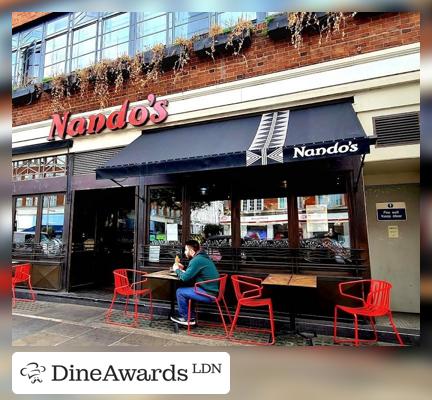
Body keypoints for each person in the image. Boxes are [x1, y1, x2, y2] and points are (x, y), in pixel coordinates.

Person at [170, 239, 220, 326]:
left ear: (191, 251)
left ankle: (186, 318)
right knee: (187, 291)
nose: (185, 252)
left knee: (180, 292)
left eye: (186, 250)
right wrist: (183, 270)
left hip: (208, 293)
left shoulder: (196, 260)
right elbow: (191, 273)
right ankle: (191, 317)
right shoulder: (202, 257)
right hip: (211, 291)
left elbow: (185, 278)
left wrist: (176, 270)